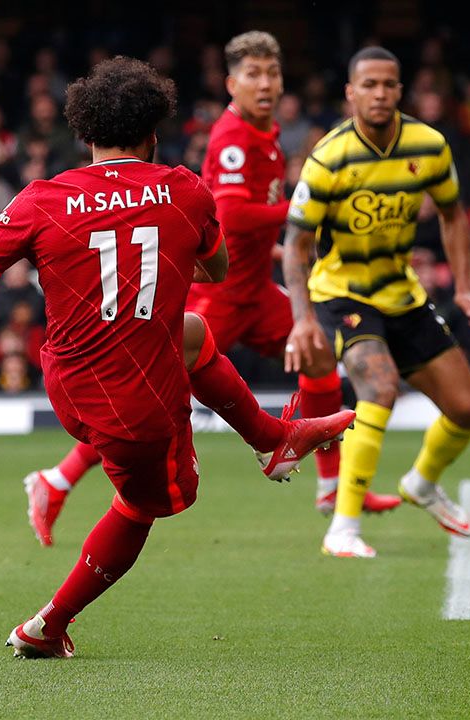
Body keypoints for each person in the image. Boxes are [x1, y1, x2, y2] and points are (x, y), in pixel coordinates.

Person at [0, 57, 352, 658]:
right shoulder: (184, 190)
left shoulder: (44, 198)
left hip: (67, 384)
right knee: (152, 503)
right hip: (136, 404)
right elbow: (218, 269)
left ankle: (271, 440)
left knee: (192, 330)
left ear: (85, 133)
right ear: (153, 132)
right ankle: (45, 625)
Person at [20, 31, 395, 548]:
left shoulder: (268, 132)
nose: (265, 84)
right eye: (253, 75)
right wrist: (304, 211)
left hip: (254, 289)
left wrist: (279, 247)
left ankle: (332, 489)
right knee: (148, 384)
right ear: (231, 83)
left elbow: (247, 222)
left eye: (272, 73)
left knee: (317, 353)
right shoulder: (233, 138)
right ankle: (55, 480)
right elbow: (233, 214)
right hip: (215, 292)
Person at [284, 46, 470, 558]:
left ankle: (421, 482)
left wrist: (463, 285)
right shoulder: (330, 157)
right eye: (369, 85)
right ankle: (343, 528)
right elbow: (297, 244)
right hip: (342, 293)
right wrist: (302, 320)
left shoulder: (429, 145)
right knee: (378, 387)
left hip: (402, 293)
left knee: (468, 410)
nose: (380, 94)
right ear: (351, 92)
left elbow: (452, 213)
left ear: (401, 90)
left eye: (389, 85)